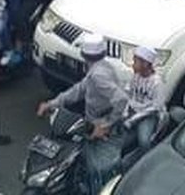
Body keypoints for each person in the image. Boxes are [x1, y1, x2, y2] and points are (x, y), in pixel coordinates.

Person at [36, 33, 130, 195]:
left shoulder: (99, 74)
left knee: (97, 171)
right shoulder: (100, 68)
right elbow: (78, 90)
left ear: (84, 54)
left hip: (106, 129)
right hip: (92, 124)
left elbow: (121, 99)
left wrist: (106, 125)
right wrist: (52, 104)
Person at [124, 46, 167, 153]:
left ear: (145, 64)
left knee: (144, 141)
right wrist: (125, 112)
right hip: (133, 111)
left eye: (136, 61)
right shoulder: (136, 76)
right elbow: (128, 94)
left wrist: (133, 119)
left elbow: (155, 107)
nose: (133, 64)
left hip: (148, 115)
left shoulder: (157, 82)